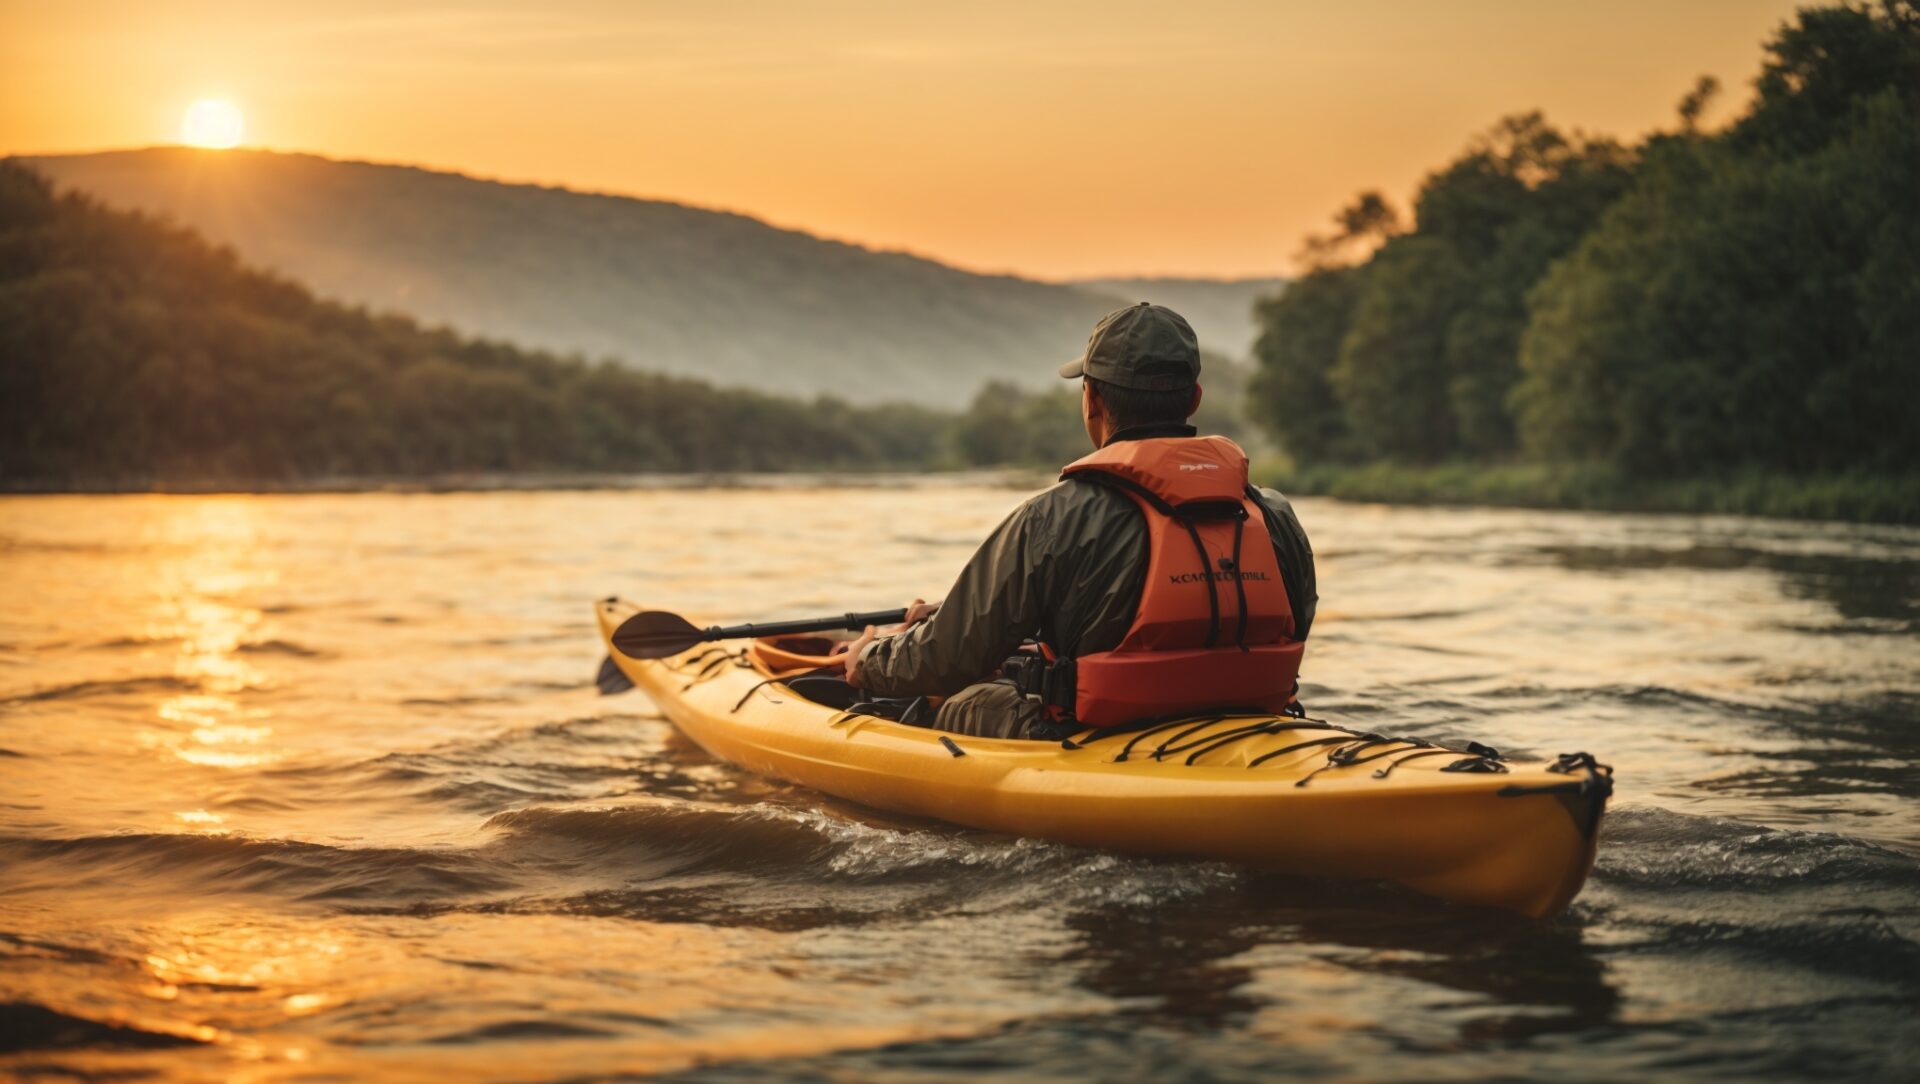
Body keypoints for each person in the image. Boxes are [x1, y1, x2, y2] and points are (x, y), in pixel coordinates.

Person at [836, 302, 1316, 739]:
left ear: (1092, 400)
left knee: (962, 700)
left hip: (1092, 732)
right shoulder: (1272, 513)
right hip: (1248, 724)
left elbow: (943, 659)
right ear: (1193, 398)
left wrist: (868, 660)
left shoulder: (1051, 517)